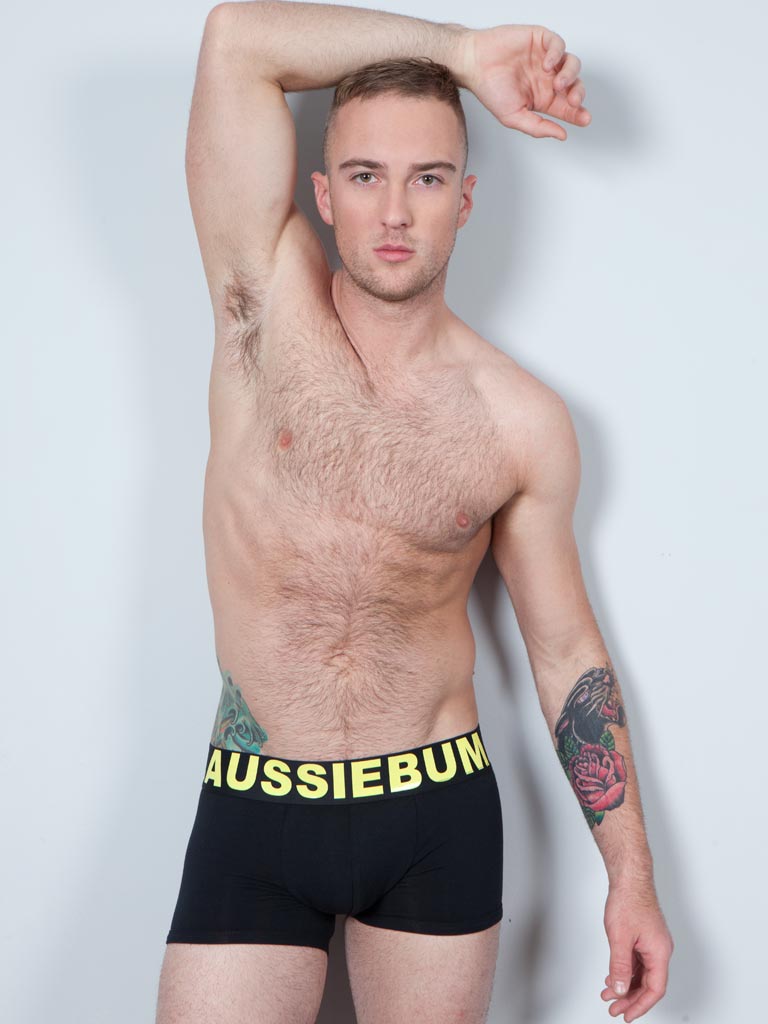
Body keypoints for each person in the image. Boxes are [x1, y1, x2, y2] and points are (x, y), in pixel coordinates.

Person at [155, 3, 673, 1022]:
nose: (395, 212)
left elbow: (566, 653)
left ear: (466, 199)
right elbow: (235, 42)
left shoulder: (522, 421)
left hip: (435, 813)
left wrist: (632, 877)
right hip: (258, 801)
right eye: (365, 176)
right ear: (323, 193)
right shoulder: (260, 306)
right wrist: (464, 56)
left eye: (428, 178)